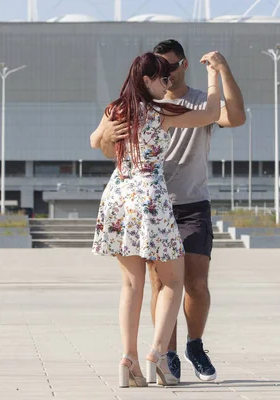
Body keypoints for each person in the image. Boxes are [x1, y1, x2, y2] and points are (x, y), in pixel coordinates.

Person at [91, 39, 246, 382]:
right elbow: (209, 112)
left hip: (119, 194)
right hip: (151, 197)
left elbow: (93, 141)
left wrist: (109, 135)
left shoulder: (115, 108)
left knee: (132, 284)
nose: (168, 83)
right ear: (147, 80)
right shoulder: (161, 111)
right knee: (173, 281)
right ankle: (158, 353)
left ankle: (128, 359)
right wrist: (212, 78)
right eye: (162, 77)